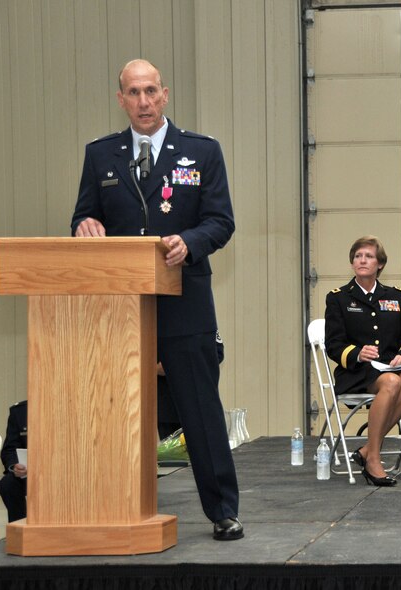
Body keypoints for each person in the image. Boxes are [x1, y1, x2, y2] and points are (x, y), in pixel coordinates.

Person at [71, 59, 242, 540]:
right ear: (120, 98)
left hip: (184, 296)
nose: (143, 102)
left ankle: (224, 510)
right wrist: (85, 226)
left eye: (150, 92)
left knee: (200, 409)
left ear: (164, 95)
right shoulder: (100, 154)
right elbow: (84, 217)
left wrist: (190, 242)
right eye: (133, 93)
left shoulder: (201, 151)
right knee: (113, 404)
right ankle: (109, 503)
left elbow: (221, 221)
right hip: (119, 307)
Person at [324, 236, 401, 487]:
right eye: (358, 256)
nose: (362, 260)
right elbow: (334, 345)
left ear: (380, 263)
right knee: (391, 382)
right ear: (352, 262)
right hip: (356, 371)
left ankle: (367, 448)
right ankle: (373, 460)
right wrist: (357, 353)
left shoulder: (395, 296)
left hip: (389, 367)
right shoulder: (338, 298)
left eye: (368, 256)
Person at [158, 331, 224, 440]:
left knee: (204, 450)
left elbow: (217, 353)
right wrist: (154, 368)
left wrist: (177, 365)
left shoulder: (201, 318)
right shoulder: (152, 319)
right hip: (166, 405)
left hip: (198, 401)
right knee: (171, 453)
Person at [0, 400, 27, 523]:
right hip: (29, 473)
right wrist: (14, 465)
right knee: (8, 484)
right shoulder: (20, 411)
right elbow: (10, 449)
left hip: (67, 473)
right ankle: (20, 528)